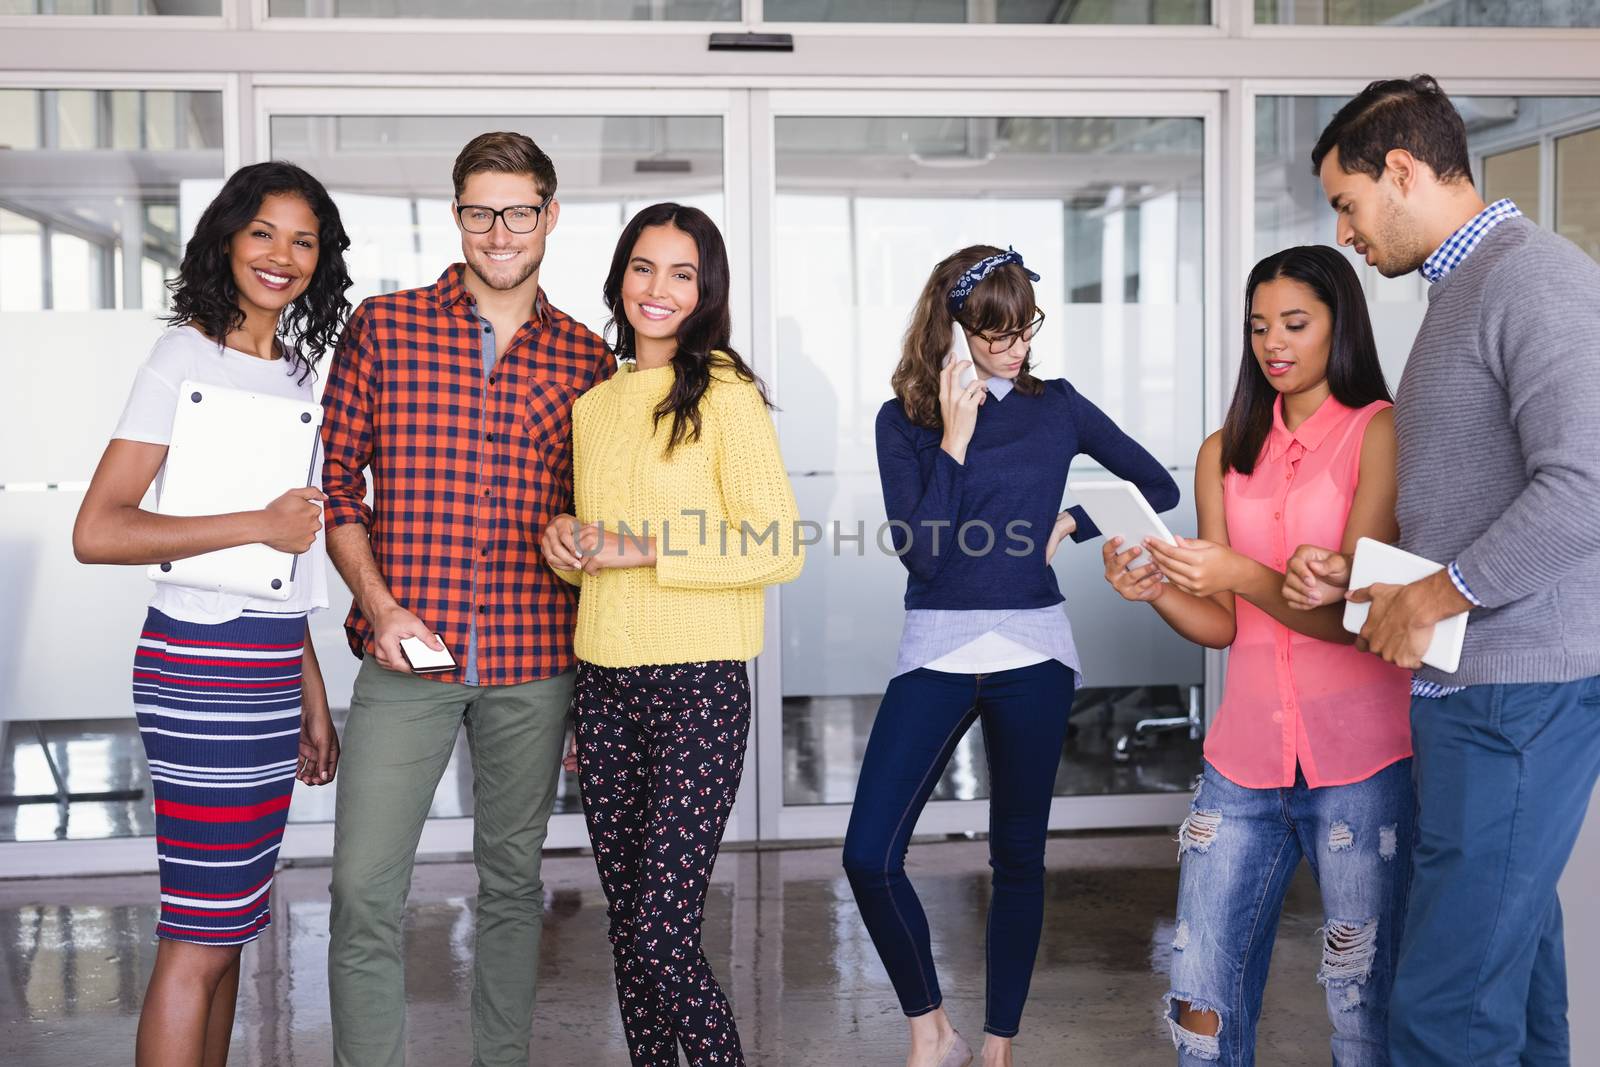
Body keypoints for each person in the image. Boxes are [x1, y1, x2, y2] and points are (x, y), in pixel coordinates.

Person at [1304, 75, 1600, 1065]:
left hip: (1516, 694)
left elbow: (1587, 485)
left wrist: (1434, 594)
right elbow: (1481, 494)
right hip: (1475, 687)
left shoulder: (1531, 277)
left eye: (1346, 204)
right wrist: (1363, 578)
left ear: (1401, 171)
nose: (1345, 234)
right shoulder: (1462, 288)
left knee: (1443, 1004)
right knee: (1507, 983)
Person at [841, 245, 1179, 1067]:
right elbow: (923, 555)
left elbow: (1157, 487)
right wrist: (956, 434)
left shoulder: (1057, 407)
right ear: (953, 327)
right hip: (937, 648)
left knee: (1017, 857)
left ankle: (998, 1045)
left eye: (1024, 328)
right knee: (869, 853)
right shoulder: (905, 421)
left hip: (1035, 650)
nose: (1014, 348)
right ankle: (933, 1027)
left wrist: (1073, 521)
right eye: (994, 334)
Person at [319, 131, 611, 1067]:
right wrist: (384, 606)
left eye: (518, 210)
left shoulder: (586, 358)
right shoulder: (384, 326)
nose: (499, 231)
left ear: (549, 216)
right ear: (457, 216)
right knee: (365, 888)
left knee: (513, 884)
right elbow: (336, 489)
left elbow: (597, 516)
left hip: (535, 663)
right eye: (480, 211)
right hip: (407, 656)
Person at [1101, 245, 1413, 1065]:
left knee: (1360, 1010)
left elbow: (1358, 619)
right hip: (1240, 766)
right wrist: (1159, 589)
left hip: (1362, 761)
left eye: (1296, 323)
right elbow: (1223, 623)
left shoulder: (1378, 432)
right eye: (1259, 327)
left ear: (1339, 326)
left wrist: (1241, 569)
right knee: (1200, 1003)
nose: (1274, 342)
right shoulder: (1224, 450)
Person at [72, 160, 350, 1067]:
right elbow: (99, 528)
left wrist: (310, 691)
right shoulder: (180, 355)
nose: (281, 255)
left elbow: (284, 560)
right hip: (198, 663)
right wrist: (258, 522)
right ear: (227, 239)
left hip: (270, 666)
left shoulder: (304, 373)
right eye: (263, 232)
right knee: (198, 931)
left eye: (303, 239)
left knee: (231, 925)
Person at [540, 202, 802, 1067]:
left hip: (699, 684)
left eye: (681, 273)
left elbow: (776, 543)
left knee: (661, 930)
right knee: (628, 930)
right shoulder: (594, 405)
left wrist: (637, 547)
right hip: (606, 683)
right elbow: (599, 562)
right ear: (621, 277)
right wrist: (570, 547)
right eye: (644, 268)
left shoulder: (724, 392)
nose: (658, 289)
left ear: (705, 290)